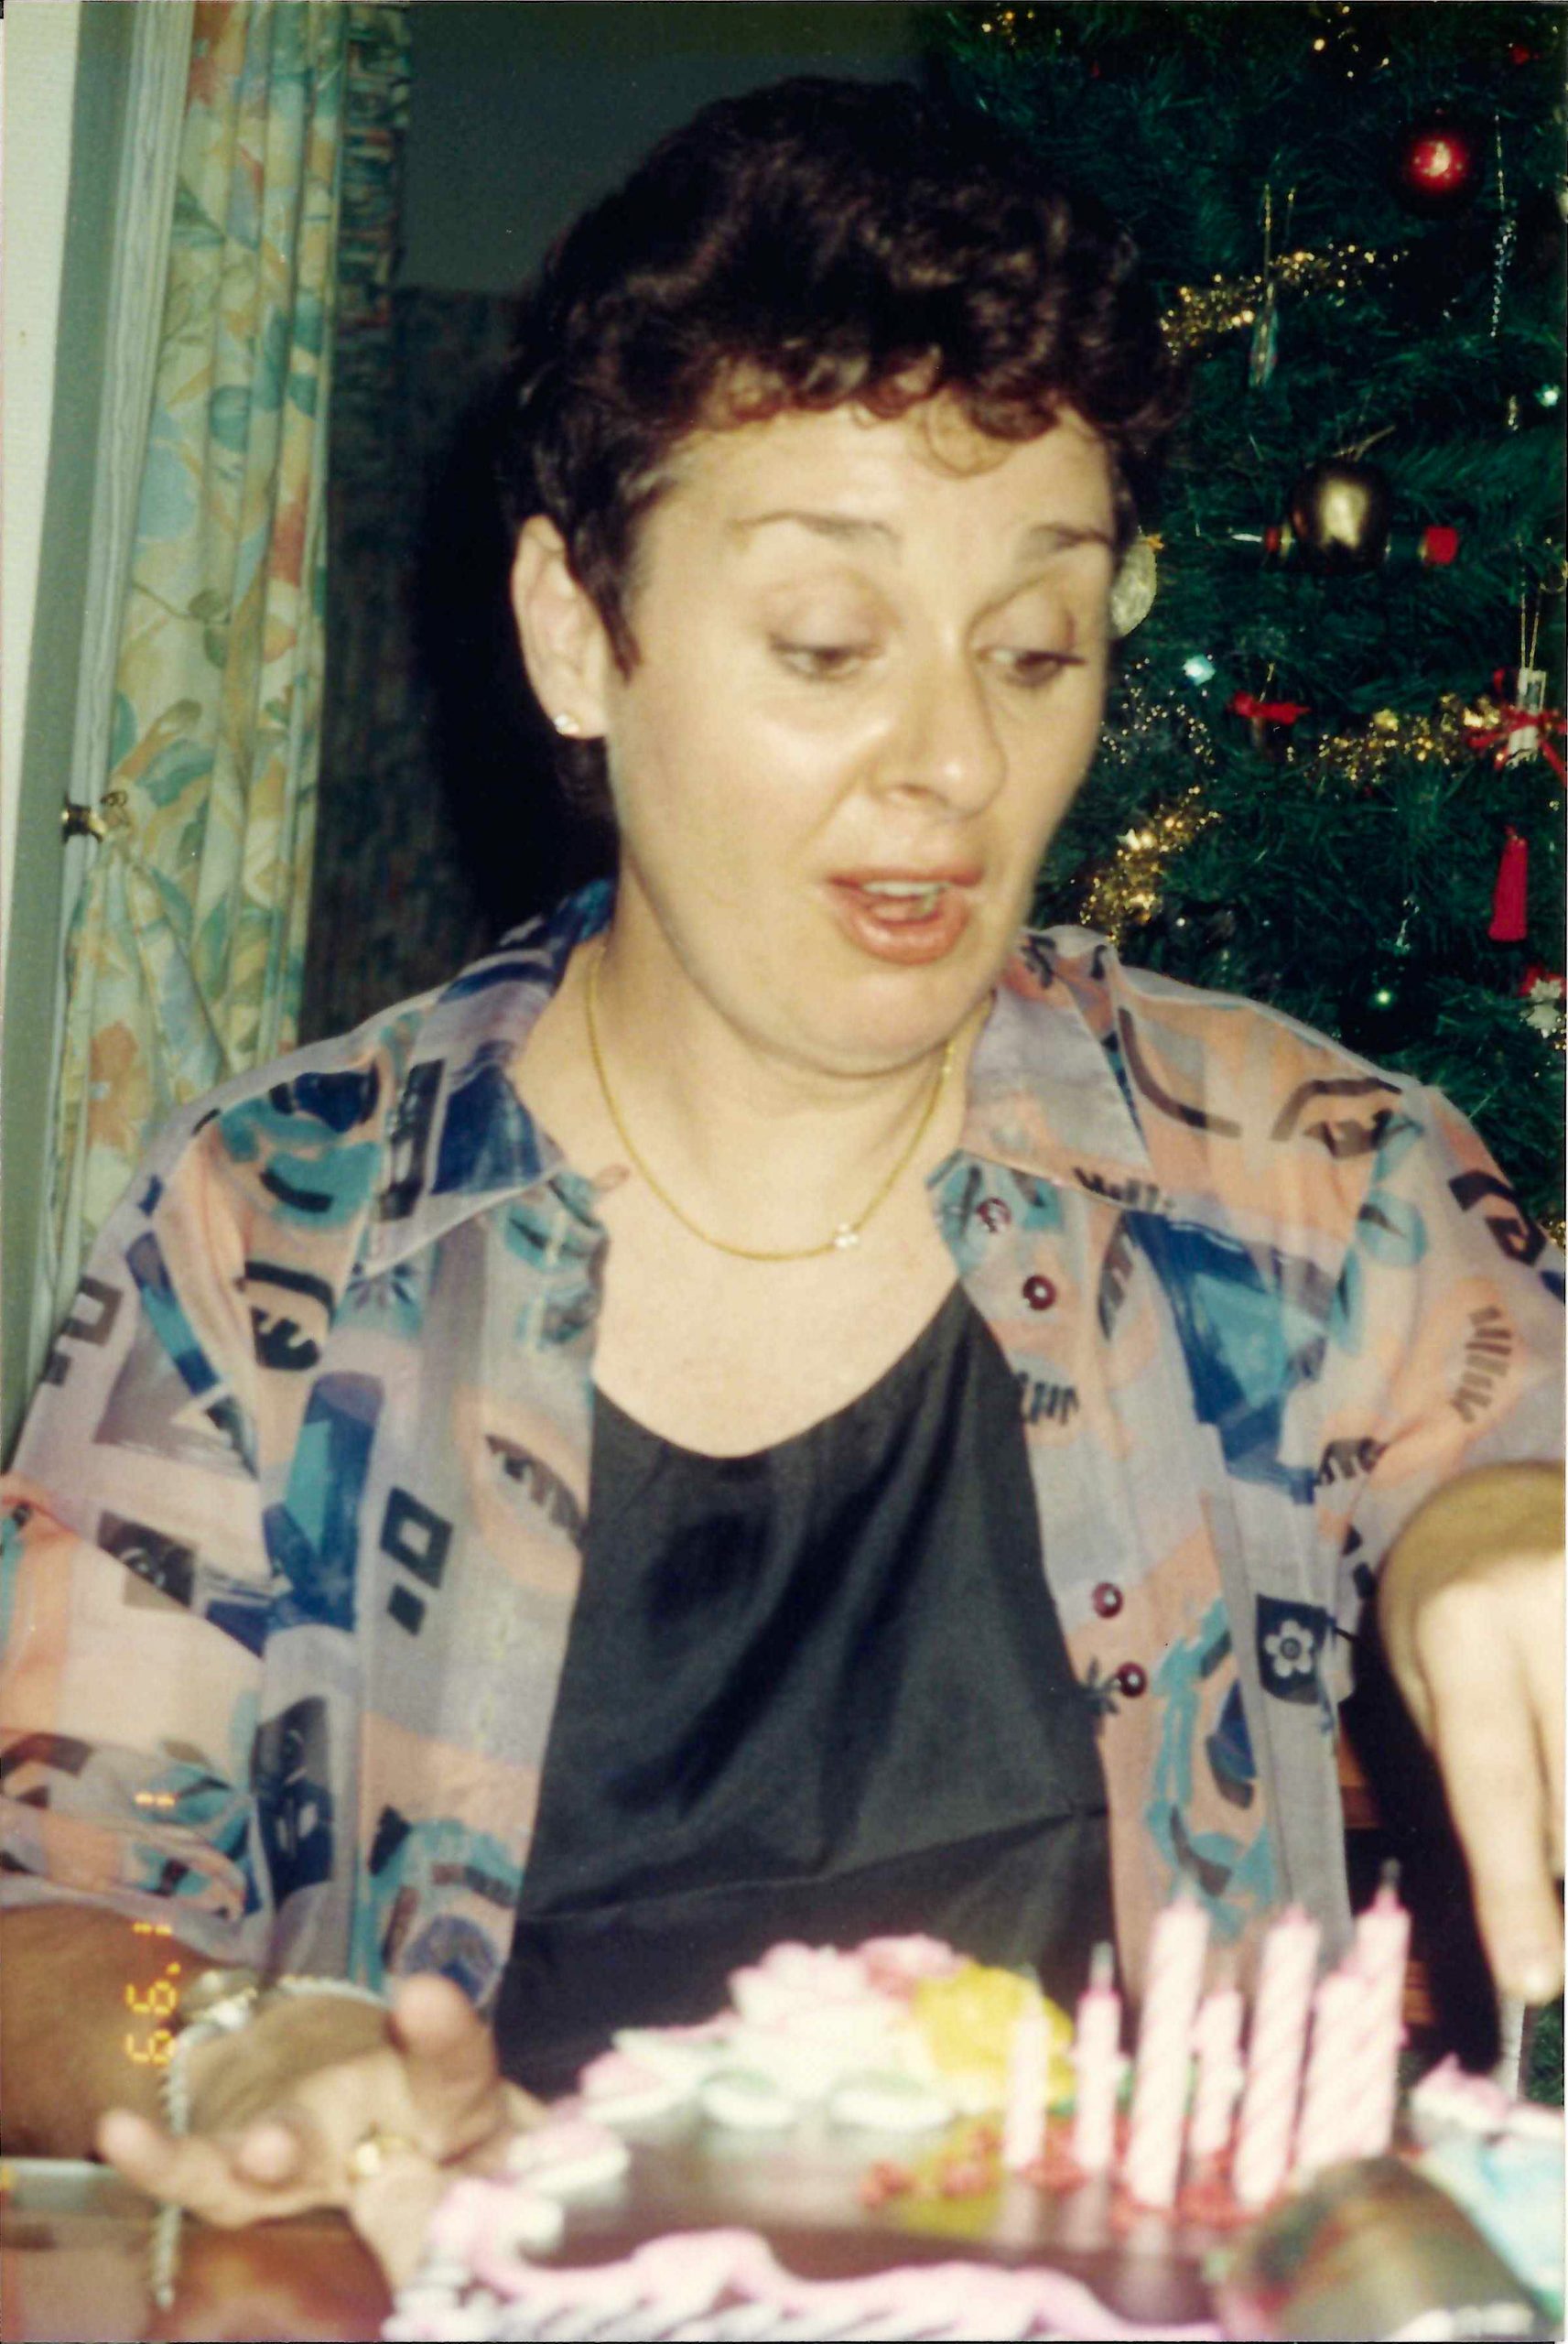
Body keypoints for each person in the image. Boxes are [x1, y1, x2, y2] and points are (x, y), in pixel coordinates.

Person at [1, 76, 1561, 2276]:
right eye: (827, 646)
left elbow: (1511, 1450)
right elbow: (47, 1919)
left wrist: (1502, 1514)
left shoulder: (1302, 1178)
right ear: (576, 631)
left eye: (1034, 649)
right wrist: (229, 2039)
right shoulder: (277, 1225)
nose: (952, 760)